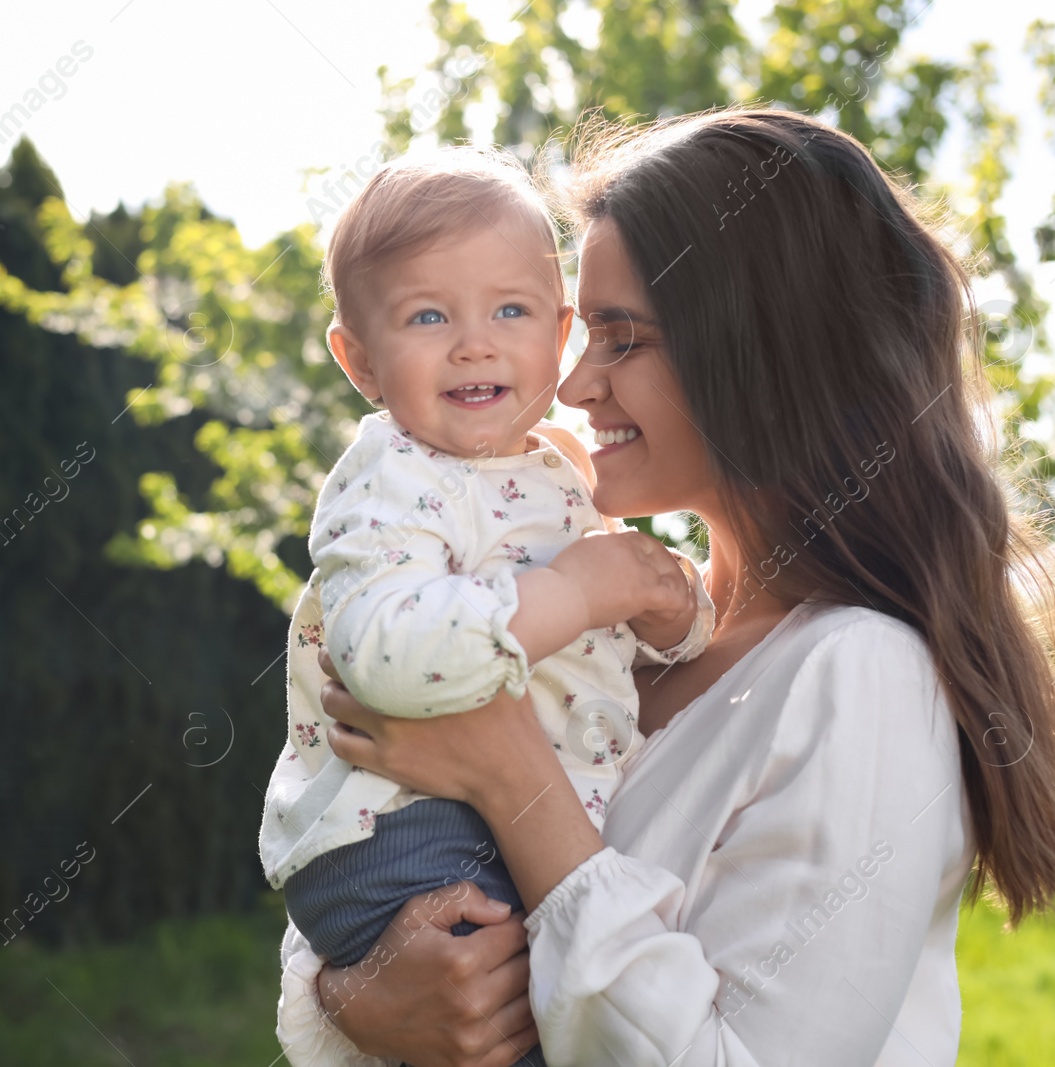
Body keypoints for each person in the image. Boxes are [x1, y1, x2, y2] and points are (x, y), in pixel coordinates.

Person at [273, 109, 1055, 1067]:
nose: (572, 386)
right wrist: (351, 999)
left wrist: (513, 778)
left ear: (760, 359)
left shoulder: (860, 675)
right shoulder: (620, 625)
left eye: (620, 338)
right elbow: (383, 855)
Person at [260, 148, 718, 1067]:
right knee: (512, 1020)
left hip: (478, 813)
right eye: (428, 315)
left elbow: (613, 634)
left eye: (508, 311)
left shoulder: (553, 473)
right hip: (402, 823)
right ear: (358, 360)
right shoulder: (391, 478)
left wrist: (675, 615)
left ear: (557, 338)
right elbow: (392, 656)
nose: (474, 342)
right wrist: (581, 589)